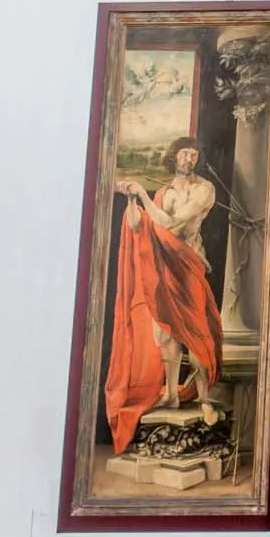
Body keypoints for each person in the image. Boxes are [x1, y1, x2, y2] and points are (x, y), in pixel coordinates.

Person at [106, 138, 223, 454]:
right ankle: (171, 393)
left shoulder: (203, 190)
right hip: (163, 263)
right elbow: (138, 225)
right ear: (174, 158)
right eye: (184, 152)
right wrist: (132, 200)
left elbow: (171, 223)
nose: (189, 157)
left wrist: (141, 193)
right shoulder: (164, 192)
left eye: (194, 153)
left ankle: (203, 397)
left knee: (195, 331)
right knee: (165, 330)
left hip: (189, 261)